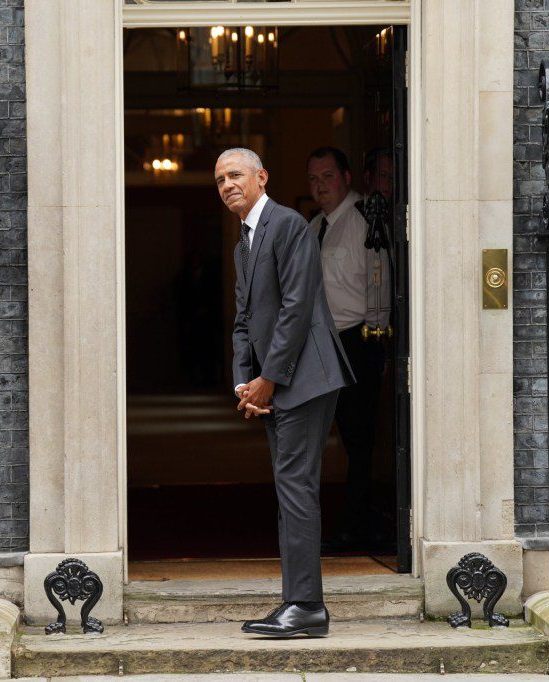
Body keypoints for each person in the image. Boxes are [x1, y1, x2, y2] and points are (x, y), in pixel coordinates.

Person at [215, 147, 353, 638]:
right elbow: (244, 322)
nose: (228, 184)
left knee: (296, 488)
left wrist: (268, 378)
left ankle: (306, 606)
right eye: (220, 180)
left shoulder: (288, 224)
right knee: (290, 487)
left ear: (261, 177)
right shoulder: (244, 243)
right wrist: (243, 381)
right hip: (277, 382)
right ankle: (298, 601)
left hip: (306, 379)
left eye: (236, 175)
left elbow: (297, 307)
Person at [305, 146, 392, 553]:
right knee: (338, 438)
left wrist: (379, 345)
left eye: (326, 176)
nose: (320, 186)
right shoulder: (316, 225)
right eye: (313, 179)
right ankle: (354, 521)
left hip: (358, 341)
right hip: (325, 344)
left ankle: (359, 526)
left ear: (345, 176)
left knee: (360, 441)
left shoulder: (363, 222)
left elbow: (381, 286)